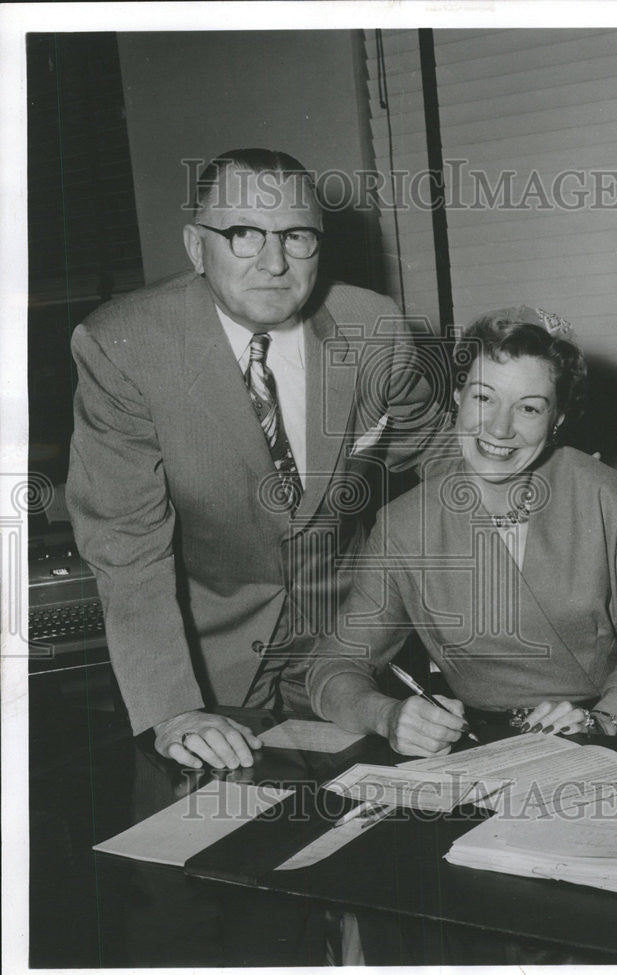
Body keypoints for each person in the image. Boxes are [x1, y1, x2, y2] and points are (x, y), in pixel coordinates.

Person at [66, 148, 441, 770]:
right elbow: (126, 544)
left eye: (296, 236)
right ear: (196, 247)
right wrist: (172, 709)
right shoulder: (124, 346)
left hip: (351, 644)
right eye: (243, 234)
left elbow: (435, 450)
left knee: (379, 838)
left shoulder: (373, 325)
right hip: (205, 661)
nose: (274, 263)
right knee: (209, 844)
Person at [306, 305, 617, 755]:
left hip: (604, 730)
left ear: (557, 418)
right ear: (458, 396)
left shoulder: (602, 493)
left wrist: (603, 720)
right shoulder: (405, 525)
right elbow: (334, 664)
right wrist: (387, 716)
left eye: (529, 407)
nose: (500, 428)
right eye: (484, 398)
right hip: (477, 743)